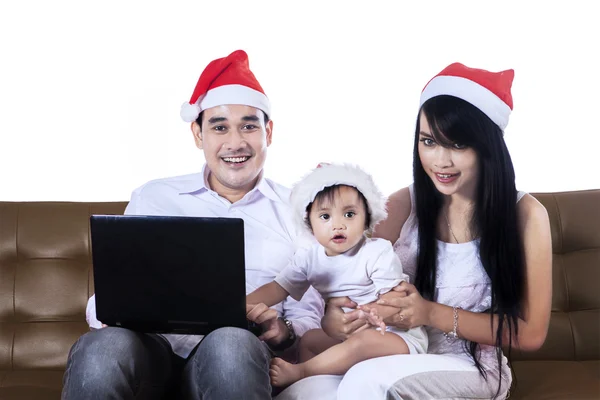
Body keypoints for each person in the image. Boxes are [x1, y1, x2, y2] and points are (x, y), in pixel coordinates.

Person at [276, 63, 552, 400]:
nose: (441, 161)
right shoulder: (405, 204)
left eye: (458, 145)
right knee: (303, 392)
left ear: (488, 147)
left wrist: (430, 313)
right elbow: (334, 269)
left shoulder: (526, 215)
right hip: (395, 349)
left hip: (468, 367)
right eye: (429, 141)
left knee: (365, 382)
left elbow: (531, 333)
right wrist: (334, 319)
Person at [61, 49, 324, 400]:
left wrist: (284, 331)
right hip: (150, 353)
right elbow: (108, 295)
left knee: (230, 342)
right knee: (104, 346)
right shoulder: (154, 197)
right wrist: (112, 313)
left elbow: (308, 311)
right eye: (219, 127)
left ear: (269, 133)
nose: (236, 143)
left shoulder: (301, 211)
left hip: (240, 355)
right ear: (198, 134)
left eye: (249, 126)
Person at [247, 163, 428, 388]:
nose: (338, 225)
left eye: (349, 214)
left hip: (395, 335)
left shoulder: (376, 251)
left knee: (364, 340)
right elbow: (277, 289)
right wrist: (241, 305)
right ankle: (311, 385)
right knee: (311, 340)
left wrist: (369, 313)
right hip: (349, 334)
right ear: (309, 224)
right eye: (325, 216)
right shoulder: (309, 257)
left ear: (367, 219)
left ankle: (302, 371)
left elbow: (397, 301)